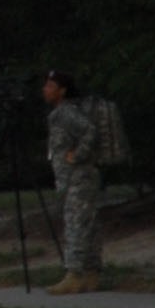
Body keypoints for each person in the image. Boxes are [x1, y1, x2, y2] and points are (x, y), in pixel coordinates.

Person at [42, 72, 105, 295]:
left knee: (76, 224)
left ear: (63, 90)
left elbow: (90, 131)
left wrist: (78, 155)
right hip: (73, 179)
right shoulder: (59, 114)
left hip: (79, 177)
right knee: (87, 224)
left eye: (51, 86)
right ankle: (91, 273)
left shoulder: (66, 113)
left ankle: (75, 274)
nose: (45, 90)